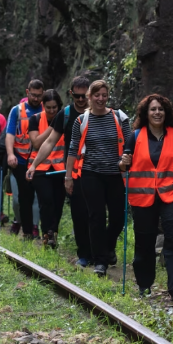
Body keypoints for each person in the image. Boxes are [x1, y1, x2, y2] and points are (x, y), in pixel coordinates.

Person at [119, 93, 173, 302]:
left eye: (160, 109)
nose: (157, 112)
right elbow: (123, 165)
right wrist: (122, 162)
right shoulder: (135, 136)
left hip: (171, 194)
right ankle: (144, 285)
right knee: (144, 241)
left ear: (166, 112)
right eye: (153, 109)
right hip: (143, 197)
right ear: (146, 113)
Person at [65, 79, 131, 276]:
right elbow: (73, 149)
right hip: (90, 174)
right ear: (89, 97)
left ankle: (108, 246)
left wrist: (128, 159)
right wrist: (68, 177)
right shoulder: (81, 121)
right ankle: (100, 261)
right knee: (96, 217)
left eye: (104, 95)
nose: (101, 99)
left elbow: (130, 143)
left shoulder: (119, 117)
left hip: (116, 174)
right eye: (97, 95)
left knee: (119, 217)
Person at [26, 75, 91, 262]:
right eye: (77, 96)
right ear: (71, 94)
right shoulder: (62, 116)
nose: (80, 99)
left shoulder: (103, 113)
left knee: (87, 211)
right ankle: (52, 235)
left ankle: (102, 251)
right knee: (52, 203)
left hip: (72, 169)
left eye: (83, 96)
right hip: (64, 171)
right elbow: (44, 143)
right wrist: (34, 165)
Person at [5, 79, 44, 240]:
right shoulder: (17, 111)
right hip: (20, 160)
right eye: (33, 95)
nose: (36, 98)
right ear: (27, 92)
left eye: (39, 95)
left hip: (39, 160)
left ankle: (34, 227)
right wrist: (10, 154)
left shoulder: (46, 109)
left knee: (36, 197)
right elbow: (10, 134)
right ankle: (23, 224)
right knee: (21, 197)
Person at [27, 89, 66, 248]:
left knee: (58, 203)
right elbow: (36, 143)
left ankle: (53, 233)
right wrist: (53, 127)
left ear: (59, 106)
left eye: (54, 108)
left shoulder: (66, 118)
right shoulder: (35, 119)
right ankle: (47, 234)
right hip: (40, 168)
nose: (51, 111)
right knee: (46, 200)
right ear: (43, 106)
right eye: (48, 107)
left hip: (60, 167)